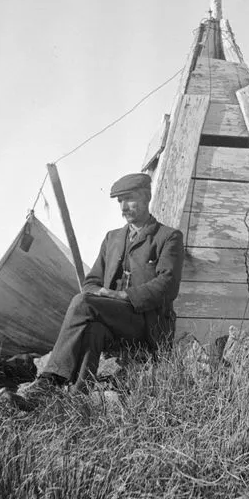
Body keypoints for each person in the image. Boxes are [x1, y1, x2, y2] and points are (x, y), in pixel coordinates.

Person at [16, 172, 184, 408]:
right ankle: (78, 397)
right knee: (93, 328)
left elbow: (168, 285)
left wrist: (122, 295)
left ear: (147, 197)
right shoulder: (112, 238)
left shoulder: (168, 237)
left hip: (146, 323)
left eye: (130, 199)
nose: (124, 207)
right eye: (120, 201)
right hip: (113, 319)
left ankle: (49, 380)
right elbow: (92, 281)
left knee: (83, 302)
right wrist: (102, 294)